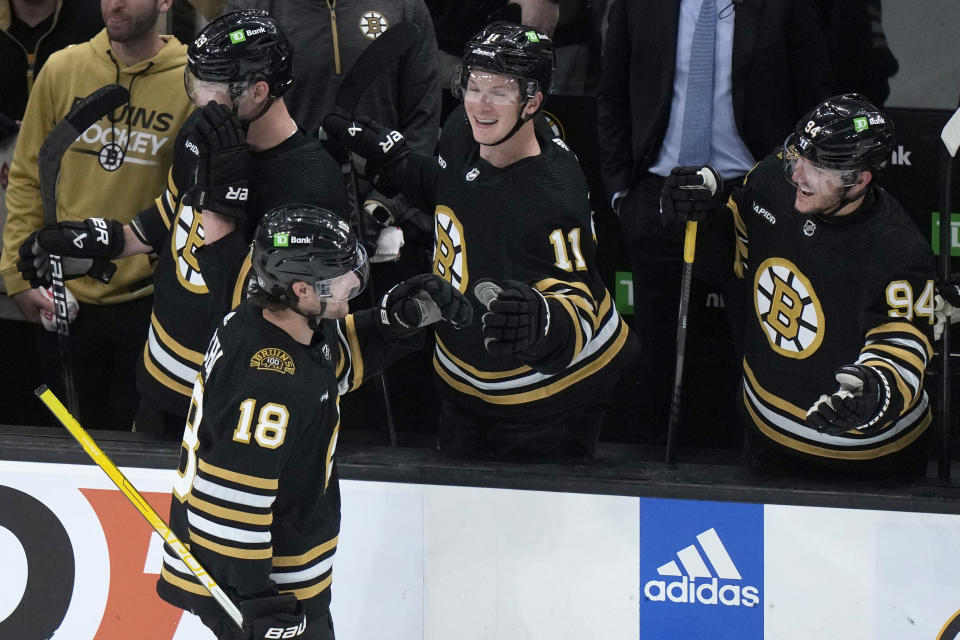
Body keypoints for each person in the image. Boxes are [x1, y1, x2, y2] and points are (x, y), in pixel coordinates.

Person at [17, 10, 348, 437]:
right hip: (158, 380)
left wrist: (222, 206)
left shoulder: (311, 184)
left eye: (210, 85)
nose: (197, 97)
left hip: (236, 402)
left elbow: (266, 309)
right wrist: (99, 239)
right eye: (195, 82)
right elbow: (169, 216)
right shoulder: (203, 129)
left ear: (257, 91)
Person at [155, 204, 472, 639]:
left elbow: (323, 365)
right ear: (302, 290)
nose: (354, 281)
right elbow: (231, 495)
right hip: (263, 590)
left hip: (254, 579)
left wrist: (393, 323)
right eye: (340, 274)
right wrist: (254, 602)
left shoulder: (254, 324)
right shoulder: (270, 382)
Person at [324, 21, 639, 458]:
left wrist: (544, 321)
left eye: (501, 91)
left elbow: (579, 300)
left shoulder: (552, 194)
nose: (480, 104)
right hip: (464, 381)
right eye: (473, 85)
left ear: (534, 101)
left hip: (549, 400)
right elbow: (460, 185)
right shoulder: (464, 128)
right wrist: (394, 163)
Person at [596, 0, 833, 443]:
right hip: (658, 195)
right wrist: (621, 192)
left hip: (753, 197)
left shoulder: (788, 8)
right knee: (655, 355)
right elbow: (611, 96)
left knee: (763, 348)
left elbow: (814, 103)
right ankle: (648, 476)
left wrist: (789, 192)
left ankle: (767, 460)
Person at [660, 94, 934, 475]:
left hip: (868, 459)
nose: (798, 173)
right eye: (799, 155)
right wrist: (700, 216)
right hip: (766, 438)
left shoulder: (898, 250)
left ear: (859, 180)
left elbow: (902, 346)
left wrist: (875, 391)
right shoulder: (774, 178)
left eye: (819, 166)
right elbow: (726, 263)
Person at [1, 0, 193, 430]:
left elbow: (192, 200)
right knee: (66, 445)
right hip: (64, 298)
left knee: (139, 450)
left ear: (164, 3)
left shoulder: (189, 83)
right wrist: (18, 275)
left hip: (149, 302)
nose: (115, 4)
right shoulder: (62, 69)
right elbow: (28, 176)